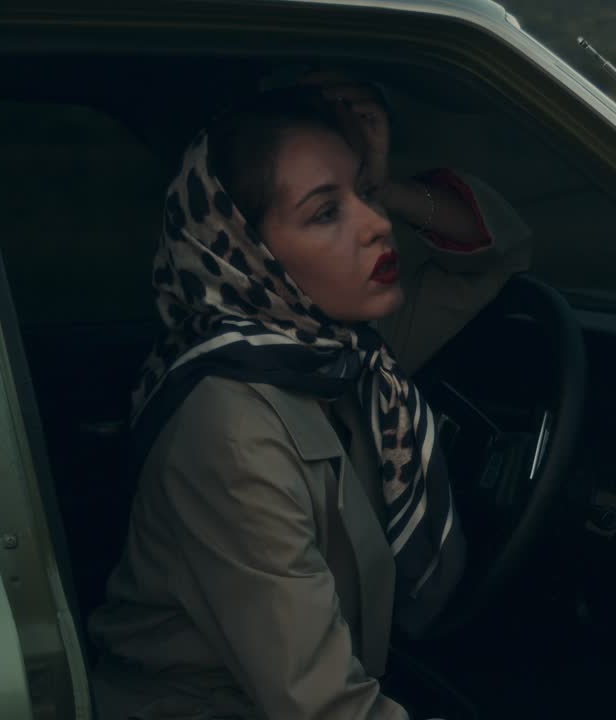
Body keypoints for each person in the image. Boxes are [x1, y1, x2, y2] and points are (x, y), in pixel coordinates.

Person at [87, 76, 532, 719]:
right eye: (327, 212)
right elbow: (324, 709)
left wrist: (391, 184)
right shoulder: (230, 426)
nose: (378, 226)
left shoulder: (340, 356)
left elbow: (501, 253)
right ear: (249, 257)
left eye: (364, 195)